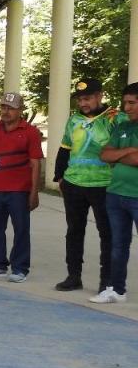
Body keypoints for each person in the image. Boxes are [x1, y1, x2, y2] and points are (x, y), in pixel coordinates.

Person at [52, 78, 121, 293]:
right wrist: (60, 177)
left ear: (100, 96)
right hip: (74, 184)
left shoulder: (114, 118)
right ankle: (74, 276)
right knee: (74, 231)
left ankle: (106, 280)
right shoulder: (74, 120)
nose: (83, 103)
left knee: (107, 233)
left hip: (104, 185)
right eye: (80, 99)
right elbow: (65, 149)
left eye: (88, 98)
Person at [0, 93, 43, 282]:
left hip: (19, 191)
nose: (5, 111)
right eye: (3, 107)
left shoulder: (30, 132)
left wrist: (34, 192)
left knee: (21, 229)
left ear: (20, 110)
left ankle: (20, 268)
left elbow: (35, 163)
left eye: (11, 108)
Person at [93, 82, 138, 304]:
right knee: (118, 245)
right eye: (125, 103)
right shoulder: (122, 126)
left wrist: (119, 155)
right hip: (115, 194)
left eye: (132, 103)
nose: (126, 108)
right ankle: (116, 290)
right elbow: (105, 154)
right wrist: (128, 150)